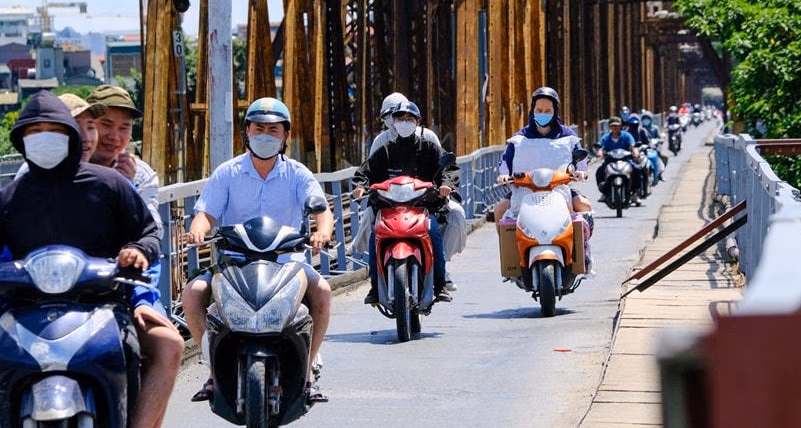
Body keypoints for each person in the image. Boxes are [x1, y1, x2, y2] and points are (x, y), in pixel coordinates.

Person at [0, 91, 179, 428]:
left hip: (103, 303)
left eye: (53, 129)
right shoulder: (11, 196)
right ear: (21, 140)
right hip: (26, 308)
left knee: (157, 345)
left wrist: (137, 252)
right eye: (34, 131)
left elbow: (149, 232)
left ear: (69, 134)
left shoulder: (110, 184)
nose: (45, 138)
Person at [182, 97, 334, 404]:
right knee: (192, 294)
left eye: (273, 130)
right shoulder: (227, 172)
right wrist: (198, 229)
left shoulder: (298, 174)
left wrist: (323, 231)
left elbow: (321, 210)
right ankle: (213, 371)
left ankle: (306, 373)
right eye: (259, 128)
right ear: (247, 131)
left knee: (322, 292)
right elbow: (206, 213)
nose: (265, 135)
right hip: (234, 263)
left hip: (287, 263)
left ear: (285, 135)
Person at [355, 91, 467, 290]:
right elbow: (367, 170)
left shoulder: (428, 142)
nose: (403, 123)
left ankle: (441, 276)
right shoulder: (383, 146)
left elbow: (445, 167)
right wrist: (360, 187)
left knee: (437, 227)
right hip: (389, 203)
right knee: (375, 232)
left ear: (417, 121)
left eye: (409, 118)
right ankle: (375, 282)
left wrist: (446, 184)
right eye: (399, 118)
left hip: (423, 202)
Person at [492, 86, 594, 272]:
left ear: (555, 111)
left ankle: (582, 252)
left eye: (548, 111)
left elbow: (580, 158)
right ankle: (511, 257)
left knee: (584, 205)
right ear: (533, 110)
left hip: (558, 188)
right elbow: (505, 160)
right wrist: (504, 174)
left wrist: (581, 171)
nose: (543, 114)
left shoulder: (568, 135)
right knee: (499, 211)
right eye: (539, 110)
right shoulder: (519, 138)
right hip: (525, 189)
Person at [86, 85, 163, 237]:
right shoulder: (64, 166)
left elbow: (153, 231)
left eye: (124, 128)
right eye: (106, 124)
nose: (114, 136)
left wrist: (126, 189)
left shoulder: (140, 175)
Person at [596, 116, 642, 204]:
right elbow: (601, 146)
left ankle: (634, 193)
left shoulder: (627, 136)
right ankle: (604, 193)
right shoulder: (606, 137)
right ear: (609, 127)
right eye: (613, 126)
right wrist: (600, 152)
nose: (615, 128)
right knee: (599, 171)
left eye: (617, 126)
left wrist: (635, 152)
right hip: (609, 162)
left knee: (637, 169)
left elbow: (633, 146)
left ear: (620, 126)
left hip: (626, 161)